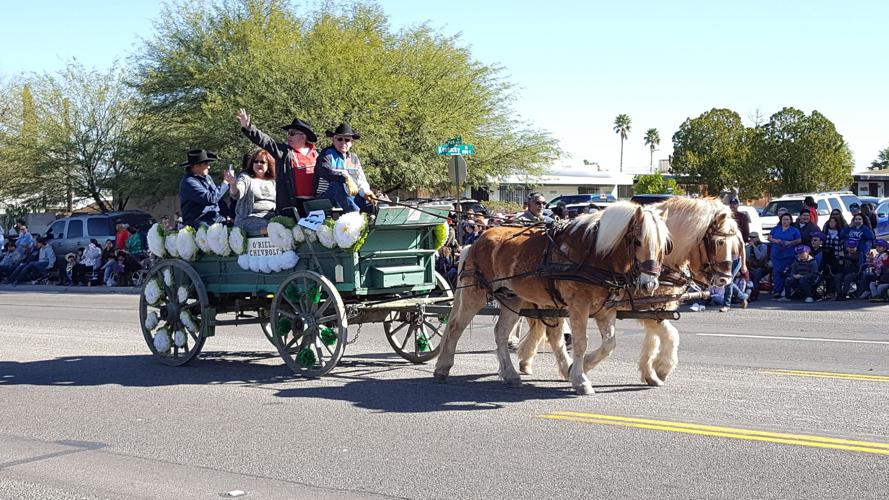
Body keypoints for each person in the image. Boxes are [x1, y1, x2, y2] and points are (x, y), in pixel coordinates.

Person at [237, 109, 318, 216]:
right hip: (291, 203)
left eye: (292, 133)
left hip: (315, 203)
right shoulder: (284, 152)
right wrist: (248, 127)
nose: (288, 136)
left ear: (303, 136)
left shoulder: (318, 155)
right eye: (288, 133)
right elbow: (266, 142)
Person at [315, 123, 375, 213]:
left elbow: (361, 179)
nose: (343, 143)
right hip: (326, 196)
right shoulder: (326, 154)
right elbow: (324, 171)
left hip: (349, 196)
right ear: (333, 140)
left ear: (351, 142)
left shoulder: (354, 158)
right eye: (339, 139)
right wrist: (345, 178)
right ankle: (354, 215)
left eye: (347, 140)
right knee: (337, 184)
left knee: (372, 205)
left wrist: (365, 192)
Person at [178, 149, 233, 228]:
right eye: (206, 164)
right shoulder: (189, 182)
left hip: (214, 217)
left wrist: (228, 215)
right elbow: (210, 199)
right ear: (196, 166)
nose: (209, 167)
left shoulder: (208, 178)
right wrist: (225, 183)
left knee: (235, 226)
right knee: (212, 230)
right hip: (198, 220)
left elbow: (219, 199)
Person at [230, 149, 277, 232]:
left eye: (262, 162)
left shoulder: (273, 181)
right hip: (247, 219)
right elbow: (237, 194)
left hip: (271, 217)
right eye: (256, 161)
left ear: (269, 164)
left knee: (287, 224)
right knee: (270, 227)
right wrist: (233, 184)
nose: (258, 164)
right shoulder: (245, 177)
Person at [768, 213, 802, 299]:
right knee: (776, 272)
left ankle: (786, 291)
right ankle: (777, 291)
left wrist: (790, 242)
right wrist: (776, 241)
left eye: (787, 219)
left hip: (788, 255)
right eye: (783, 219)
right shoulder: (776, 229)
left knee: (786, 272)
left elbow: (799, 240)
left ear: (790, 221)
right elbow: (769, 237)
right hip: (776, 255)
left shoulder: (794, 230)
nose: (785, 221)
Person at [746, 232, 769, 300]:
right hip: (751, 266)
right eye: (750, 237)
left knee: (756, 276)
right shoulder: (748, 246)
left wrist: (754, 247)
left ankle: (754, 294)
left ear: (758, 238)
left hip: (761, 267)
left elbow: (760, 257)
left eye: (754, 237)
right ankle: (746, 294)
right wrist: (748, 248)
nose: (752, 239)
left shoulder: (763, 246)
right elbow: (747, 257)